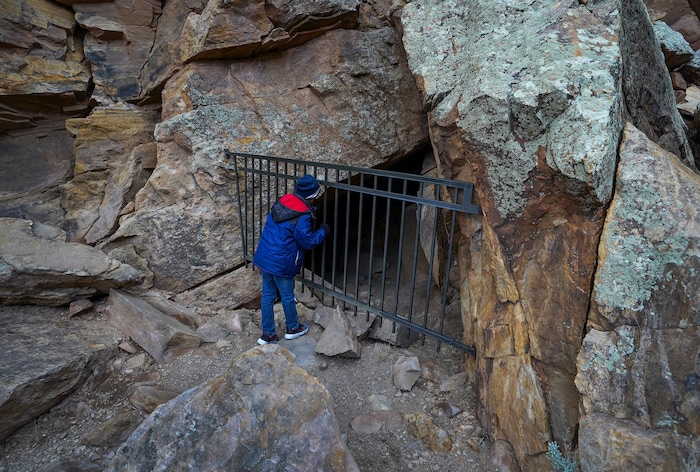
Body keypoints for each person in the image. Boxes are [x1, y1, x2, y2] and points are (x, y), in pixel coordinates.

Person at [252, 174, 331, 345]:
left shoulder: (281, 203)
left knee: (267, 296)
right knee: (287, 296)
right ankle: (292, 328)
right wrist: (323, 231)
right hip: (282, 262)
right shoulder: (303, 216)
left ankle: (268, 335)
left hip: (265, 257)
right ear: (312, 196)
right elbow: (307, 241)